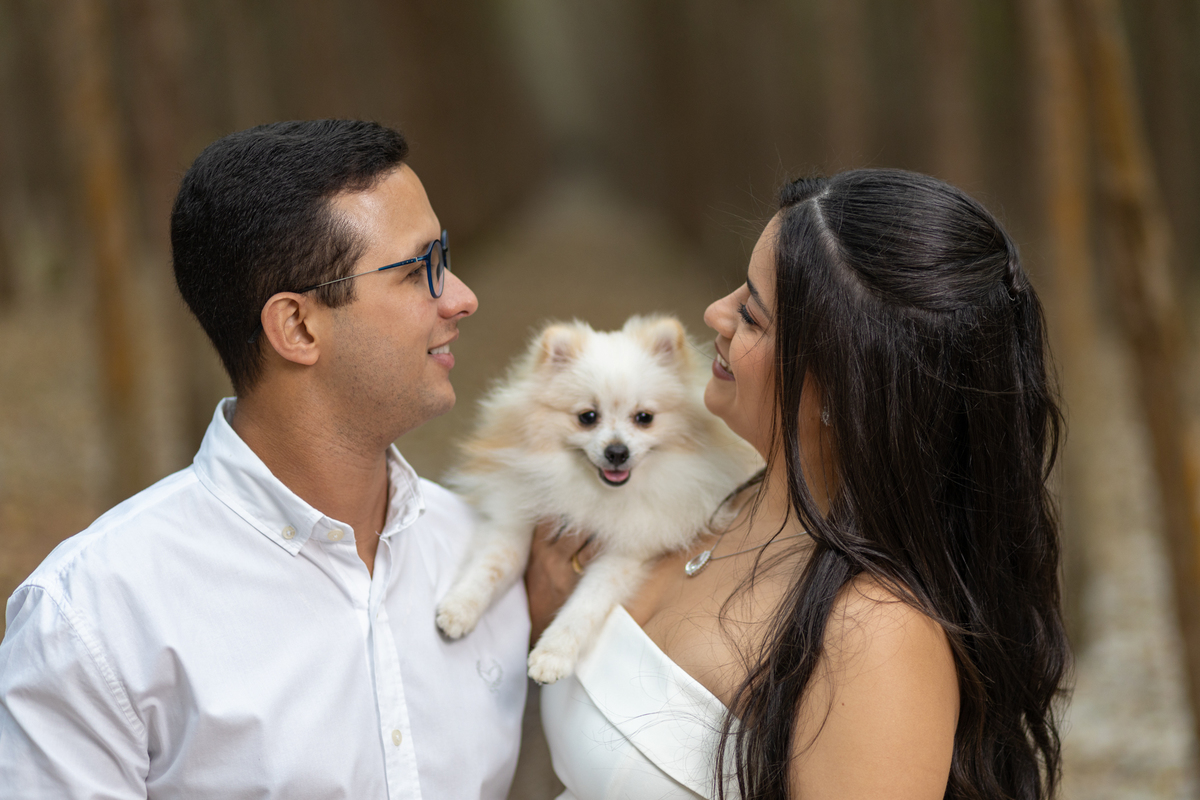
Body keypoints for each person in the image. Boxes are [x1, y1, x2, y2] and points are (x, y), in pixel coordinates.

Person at [0, 120, 533, 798]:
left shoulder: (494, 558)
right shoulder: (95, 619)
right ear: (297, 326)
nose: (461, 297)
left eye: (444, 257)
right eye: (416, 270)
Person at [541, 169, 1069, 800]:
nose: (715, 313)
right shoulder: (702, 499)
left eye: (752, 315)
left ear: (845, 390)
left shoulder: (875, 636)